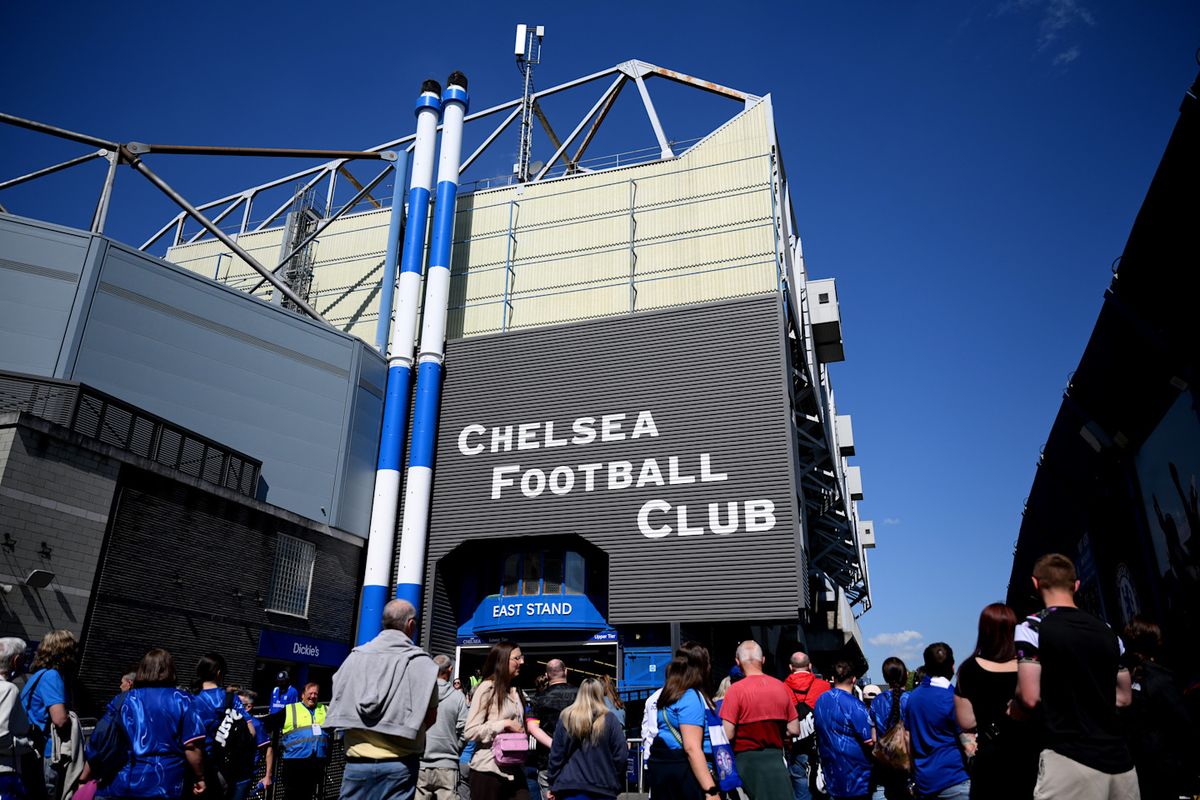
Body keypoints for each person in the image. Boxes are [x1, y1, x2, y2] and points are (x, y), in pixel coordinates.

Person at [1014, 553, 1138, 798]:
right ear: (1077, 585)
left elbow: (1029, 697)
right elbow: (1124, 698)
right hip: (1120, 760)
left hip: (1068, 758)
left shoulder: (1032, 628)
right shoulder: (1108, 631)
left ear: (1035, 583)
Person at [329, 599, 439, 800]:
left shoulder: (354, 658)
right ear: (411, 624)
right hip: (400, 764)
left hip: (357, 763)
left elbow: (338, 697)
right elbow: (430, 718)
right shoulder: (423, 665)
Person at [89, 648, 206, 800]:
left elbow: (101, 736)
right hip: (166, 782)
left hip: (125, 778)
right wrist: (200, 777)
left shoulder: (124, 699)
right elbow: (192, 746)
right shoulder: (184, 700)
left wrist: (87, 774)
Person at [953, 603, 1037, 800]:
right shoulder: (1027, 667)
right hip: (1027, 756)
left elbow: (966, 722)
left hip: (990, 760)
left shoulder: (969, 669)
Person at [1121, 616, 1197, 799]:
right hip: (1172, 770)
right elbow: (1185, 724)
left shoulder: (1127, 679)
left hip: (1143, 771)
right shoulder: (1160, 679)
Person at [719, 640, 798, 799]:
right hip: (776, 761)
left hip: (746, 764)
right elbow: (794, 729)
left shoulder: (735, 691)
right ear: (762, 660)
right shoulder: (781, 687)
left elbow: (727, 734)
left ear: (738, 662)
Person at [645, 642, 719, 800]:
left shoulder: (669, 696)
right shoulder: (691, 697)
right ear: (701, 667)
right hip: (690, 777)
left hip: (667, 775)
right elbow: (692, 748)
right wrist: (710, 791)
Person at [464, 641, 529, 800]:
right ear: (502, 660)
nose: (522, 662)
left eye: (522, 657)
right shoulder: (487, 688)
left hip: (515, 767)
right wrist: (504, 724)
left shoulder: (516, 691)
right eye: (517, 658)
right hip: (488, 770)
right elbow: (470, 731)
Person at [904, 644, 969, 799]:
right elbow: (968, 744)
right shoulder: (953, 698)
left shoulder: (913, 698)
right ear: (953, 666)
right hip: (954, 779)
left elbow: (907, 738)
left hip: (924, 782)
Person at [545, 678, 627, 800]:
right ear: (600, 694)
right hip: (603, 787)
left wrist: (552, 783)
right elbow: (621, 755)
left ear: (580, 693)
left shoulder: (566, 718)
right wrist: (614, 779)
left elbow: (556, 755)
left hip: (570, 787)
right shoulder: (610, 719)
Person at [20, 629, 79, 800]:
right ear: (65, 652)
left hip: (33, 751)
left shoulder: (38, 675)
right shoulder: (53, 677)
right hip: (47, 753)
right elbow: (59, 719)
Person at [812, 660, 873, 800]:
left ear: (833, 679)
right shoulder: (855, 705)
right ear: (854, 679)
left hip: (831, 774)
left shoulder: (820, 700)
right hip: (856, 777)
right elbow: (870, 740)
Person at [420, 656, 470, 800]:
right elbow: (465, 730)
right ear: (450, 670)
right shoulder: (458, 697)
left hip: (422, 763)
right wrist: (456, 747)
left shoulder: (422, 693)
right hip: (448, 764)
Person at [527, 660, 577, 798]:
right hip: (578, 759)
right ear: (566, 671)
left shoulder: (538, 698)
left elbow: (532, 727)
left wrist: (554, 745)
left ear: (547, 675)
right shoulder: (581, 696)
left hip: (547, 761)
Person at [784, 651, 830, 800]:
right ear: (810, 666)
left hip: (795, 747)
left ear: (791, 667)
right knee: (822, 788)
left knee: (800, 787)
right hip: (820, 748)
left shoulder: (782, 688)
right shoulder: (824, 687)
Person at [280, 683, 329, 800]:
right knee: (291, 795)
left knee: (308, 794)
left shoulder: (325, 709)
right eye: (310, 693)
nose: (313, 696)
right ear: (302, 695)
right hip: (294, 761)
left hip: (316, 761)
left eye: (315, 694)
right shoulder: (290, 709)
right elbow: (270, 722)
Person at [868, 658, 909, 800]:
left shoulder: (876, 702)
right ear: (906, 675)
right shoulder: (911, 700)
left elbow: (873, 738)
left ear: (885, 678)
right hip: (909, 768)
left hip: (885, 767)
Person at [0, 638, 31, 800]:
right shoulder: (8, 689)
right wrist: (28, 744)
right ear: (16, 660)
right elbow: (1, 737)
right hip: (4, 771)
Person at [230, 690, 272, 800]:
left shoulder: (257, 725)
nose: (234, 706)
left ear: (248, 707)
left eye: (238, 704)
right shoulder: (229, 720)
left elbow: (268, 750)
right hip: (228, 771)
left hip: (244, 775)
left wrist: (267, 776)